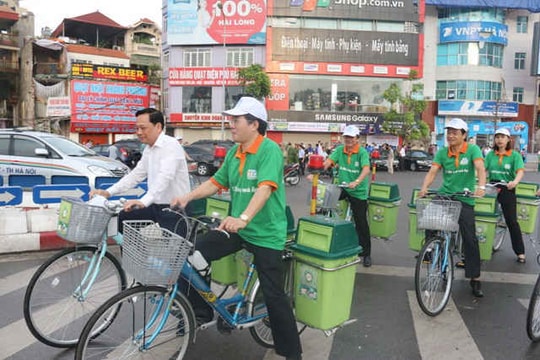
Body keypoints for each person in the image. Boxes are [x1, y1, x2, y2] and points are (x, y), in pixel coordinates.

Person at [171, 97, 302, 360]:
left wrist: (243, 217)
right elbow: (216, 183)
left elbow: (264, 189)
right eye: (231, 119)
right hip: (238, 228)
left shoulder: (269, 150)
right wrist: (188, 197)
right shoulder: (235, 152)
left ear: (254, 124)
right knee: (193, 254)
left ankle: (292, 353)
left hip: (266, 234)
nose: (231, 124)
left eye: (236, 120)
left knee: (274, 296)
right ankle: (201, 311)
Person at [90, 108, 191, 234]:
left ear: (158, 127)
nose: (138, 132)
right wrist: (108, 192)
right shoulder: (149, 148)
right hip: (154, 203)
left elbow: (165, 177)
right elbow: (136, 175)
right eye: (136, 128)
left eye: (143, 128)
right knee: (124, 218)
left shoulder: (171, 145)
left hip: (174, 207)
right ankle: (129, 253)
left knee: (175, 250)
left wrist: (143, 201)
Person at [418, 118, 486, 298]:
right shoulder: (442, 152)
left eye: (455, 132)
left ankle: (475, 278)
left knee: (470, 239)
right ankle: (432, 250)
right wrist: (424, 187)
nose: (450, 135)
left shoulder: (473, 149)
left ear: (464, 135)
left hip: (464, 198)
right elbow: (433, 172)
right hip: (445, 194)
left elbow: (480, 168)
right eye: (449, 132)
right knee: (428, 218)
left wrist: (481, 187)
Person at [323, 125, 372, 267]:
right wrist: (317, 170)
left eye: (351, 137)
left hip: (357, 190)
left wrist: (356, 181)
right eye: (346, 137)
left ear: (357, 139)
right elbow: (328, 162)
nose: (348, 140)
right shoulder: (339, 150)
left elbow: (366, 169)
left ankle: (366, 253)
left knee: (361, 221)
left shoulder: (362, 153)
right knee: (325, 200)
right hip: (343, 187)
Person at [485, 128, 526, 263]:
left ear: (509, 139)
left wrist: (514, 182)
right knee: (484, 216)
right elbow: (483, 170)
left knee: (511, 221)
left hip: (507, 187)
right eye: (497, 137)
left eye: (503, 137)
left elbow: (520, 171)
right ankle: (483, 244)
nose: (499, 140)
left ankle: (520, 252)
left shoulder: (515, 156)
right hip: (491, 187)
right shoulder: (490, 155)